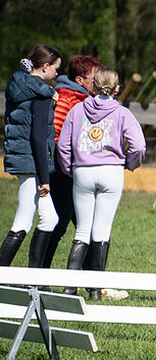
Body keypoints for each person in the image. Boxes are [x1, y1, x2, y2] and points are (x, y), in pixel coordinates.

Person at [57, 66, 146, 300]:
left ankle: (69, 287)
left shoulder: (77, 110)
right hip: (111, 171)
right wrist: (130, 163)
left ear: (93, 86)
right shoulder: (123, 113)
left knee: (82, 230)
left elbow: (63, 145)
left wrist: (69, 168)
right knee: (102, 230)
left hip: (83, 170)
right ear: (117, 89)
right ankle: (95, 289)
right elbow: (138, 146)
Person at [0, 45, 61, 281]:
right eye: (55, 68)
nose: (57, 73)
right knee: (23, 220)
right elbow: (38, 137)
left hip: (23, 157)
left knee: (50, 218)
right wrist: (45, 178)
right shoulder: (41, 93)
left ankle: (34, 281)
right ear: (45, 67)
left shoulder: (20, 84)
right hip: (32, 162)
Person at [41, 55, 102, 272]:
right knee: (59, 225)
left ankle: (94, 282)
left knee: (89, 227)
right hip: (63, 173)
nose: (99, 83)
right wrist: (68, 166)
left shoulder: (86, 100)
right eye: (95, 79)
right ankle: (38, 276)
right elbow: (56, 137)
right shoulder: (66, 99)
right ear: (80, 80)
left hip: (79, 173)